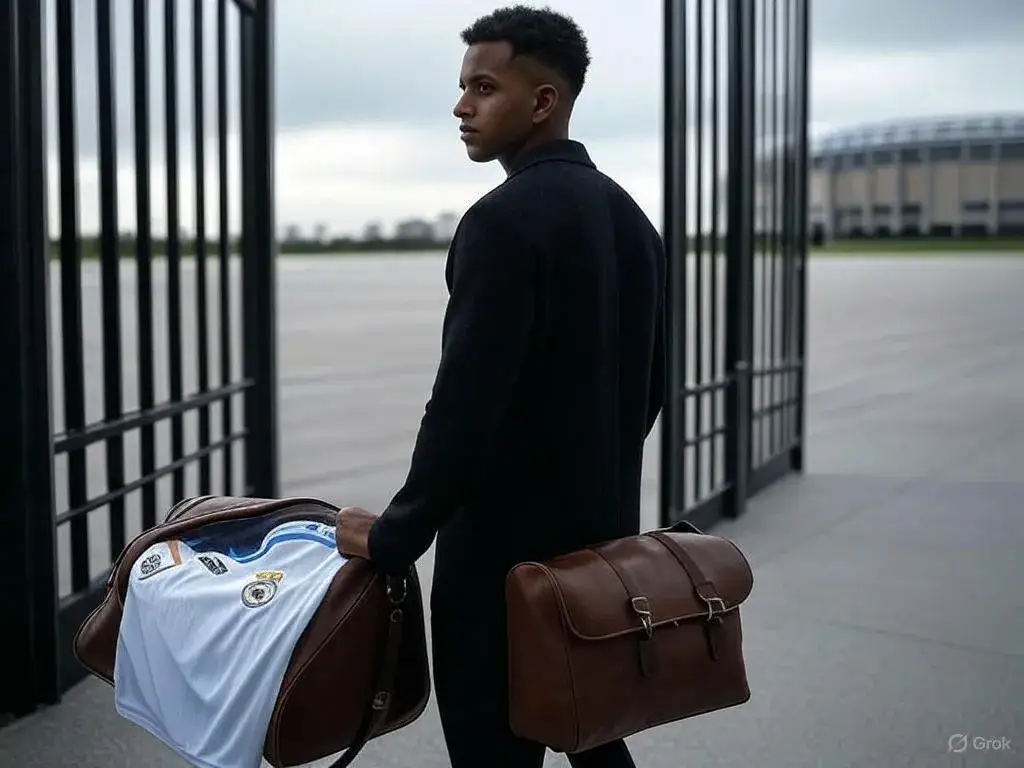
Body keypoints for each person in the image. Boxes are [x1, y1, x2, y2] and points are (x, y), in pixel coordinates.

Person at [336, 6, 666, 767]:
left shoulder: (502, 221)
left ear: (543, 101)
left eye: (483, 87)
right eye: (462, 87)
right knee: (593, 733)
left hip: (500, 576)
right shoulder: (632, 221)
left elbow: (464, 409)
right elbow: (647, 390)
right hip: (601, 556)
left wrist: (393, 536)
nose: (461, 106)